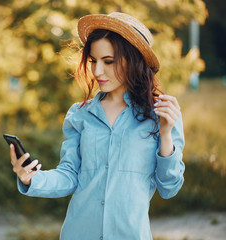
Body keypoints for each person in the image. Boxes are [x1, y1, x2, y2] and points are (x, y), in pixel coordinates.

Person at [10, 12, 185, 240]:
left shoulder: (161, 114)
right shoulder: (80, 114)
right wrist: (31, 178)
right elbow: (69, 175)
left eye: (108, 61)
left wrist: (165, 133)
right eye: (93, 60)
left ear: (133, 60)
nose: (97, 71)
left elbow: (169, 187)